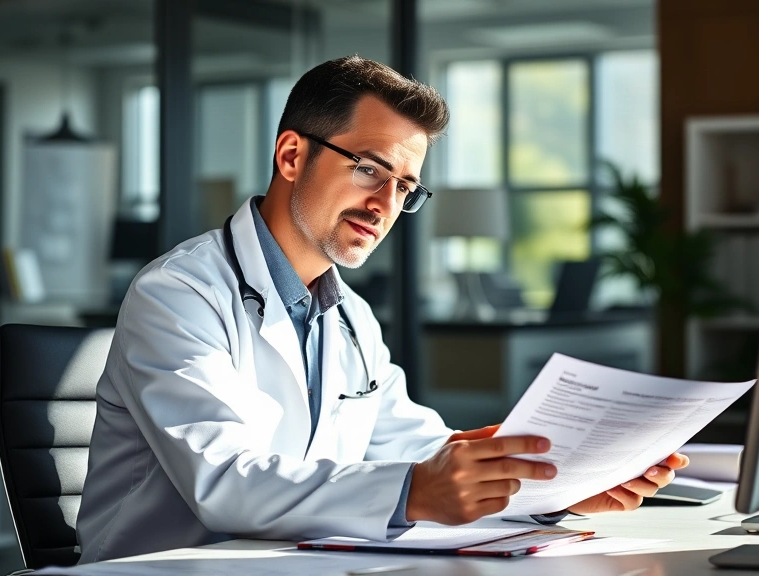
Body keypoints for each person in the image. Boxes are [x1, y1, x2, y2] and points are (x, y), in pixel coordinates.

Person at [76, 55, 688, 563]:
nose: (384, 204)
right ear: (292, 156)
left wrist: (556, 485)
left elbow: (416, 450)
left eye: (404, 186)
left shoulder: (350, 318)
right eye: (369, 169)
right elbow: (226, 482)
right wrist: (417, 489)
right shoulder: (178, 294)